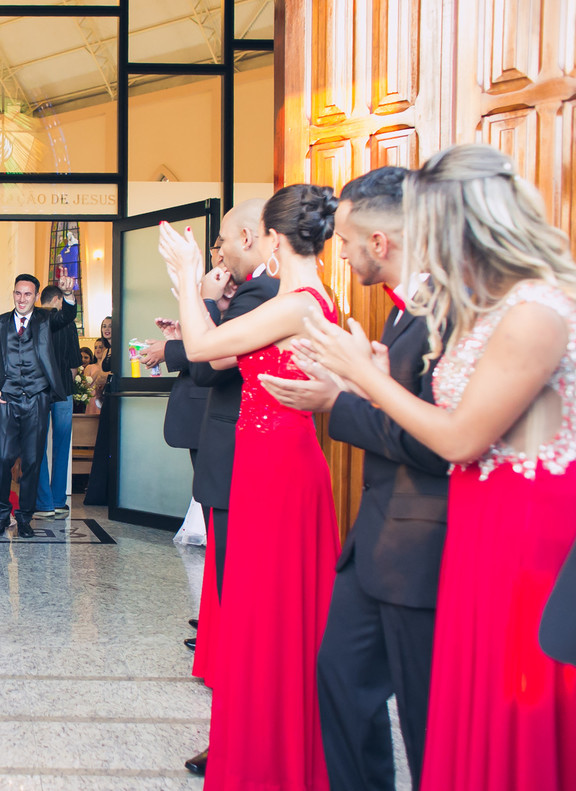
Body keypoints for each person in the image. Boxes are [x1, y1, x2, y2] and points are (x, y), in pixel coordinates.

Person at [304, 144, 576, 791]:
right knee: (459, 711)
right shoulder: (485, 307)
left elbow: (457, 438)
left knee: (504, 708)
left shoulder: (538, 309)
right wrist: (372, 376)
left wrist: (361, 378)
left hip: (522, 526)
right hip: (474, 521)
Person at [262, 166, 449, 791]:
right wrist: (353, 384)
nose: (337, 251)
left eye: (344, 241)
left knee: (424, 724)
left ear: (380, 242)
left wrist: (339, 398)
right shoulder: (402, 314)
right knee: (340, 681)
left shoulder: (443, 314)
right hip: (374, 541)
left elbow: (434, 442)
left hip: (419, 544)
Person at [159, 185, 340, 791]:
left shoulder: (297, 304)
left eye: (260, 235)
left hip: (279, 466)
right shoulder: (301, 299)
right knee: (259, 616)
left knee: (268, 615)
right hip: (264, 461)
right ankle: (263, 741)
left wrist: (188, 278)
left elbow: (203, 349)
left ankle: (272, 754)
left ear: (275, 239)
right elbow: (218, 357)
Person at [141, 234, 234, 680]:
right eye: (215, 250)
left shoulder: (245, 295)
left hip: (218, 413)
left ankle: (223, 620)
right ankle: (216, 615)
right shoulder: (222, 291)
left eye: (220, 248)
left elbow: (219, 350)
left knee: (222, 524)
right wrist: (179, 337)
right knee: (214, 520)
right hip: (203, 413)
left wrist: (170, 349)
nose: (217, 256)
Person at [0, 271, 77, 537]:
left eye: (28, 294)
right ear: (13, 294)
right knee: (3, 458)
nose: (22, 299)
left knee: (33, 460)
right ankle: (2, 513)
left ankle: (24, 517)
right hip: (7, 400)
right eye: (18, 293)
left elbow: (67, 316)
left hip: (37, 399)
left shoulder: (46, 319)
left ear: (36, 296)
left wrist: (68, 294)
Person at [34, 283, 82, 520]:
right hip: (63, 390)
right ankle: (59, 501)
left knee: (38, 446)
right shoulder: (68, 323)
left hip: (39, 392)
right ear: (58, 300)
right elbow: (74, 364)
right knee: (62, 445)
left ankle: (44, 504)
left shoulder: (33, 321)